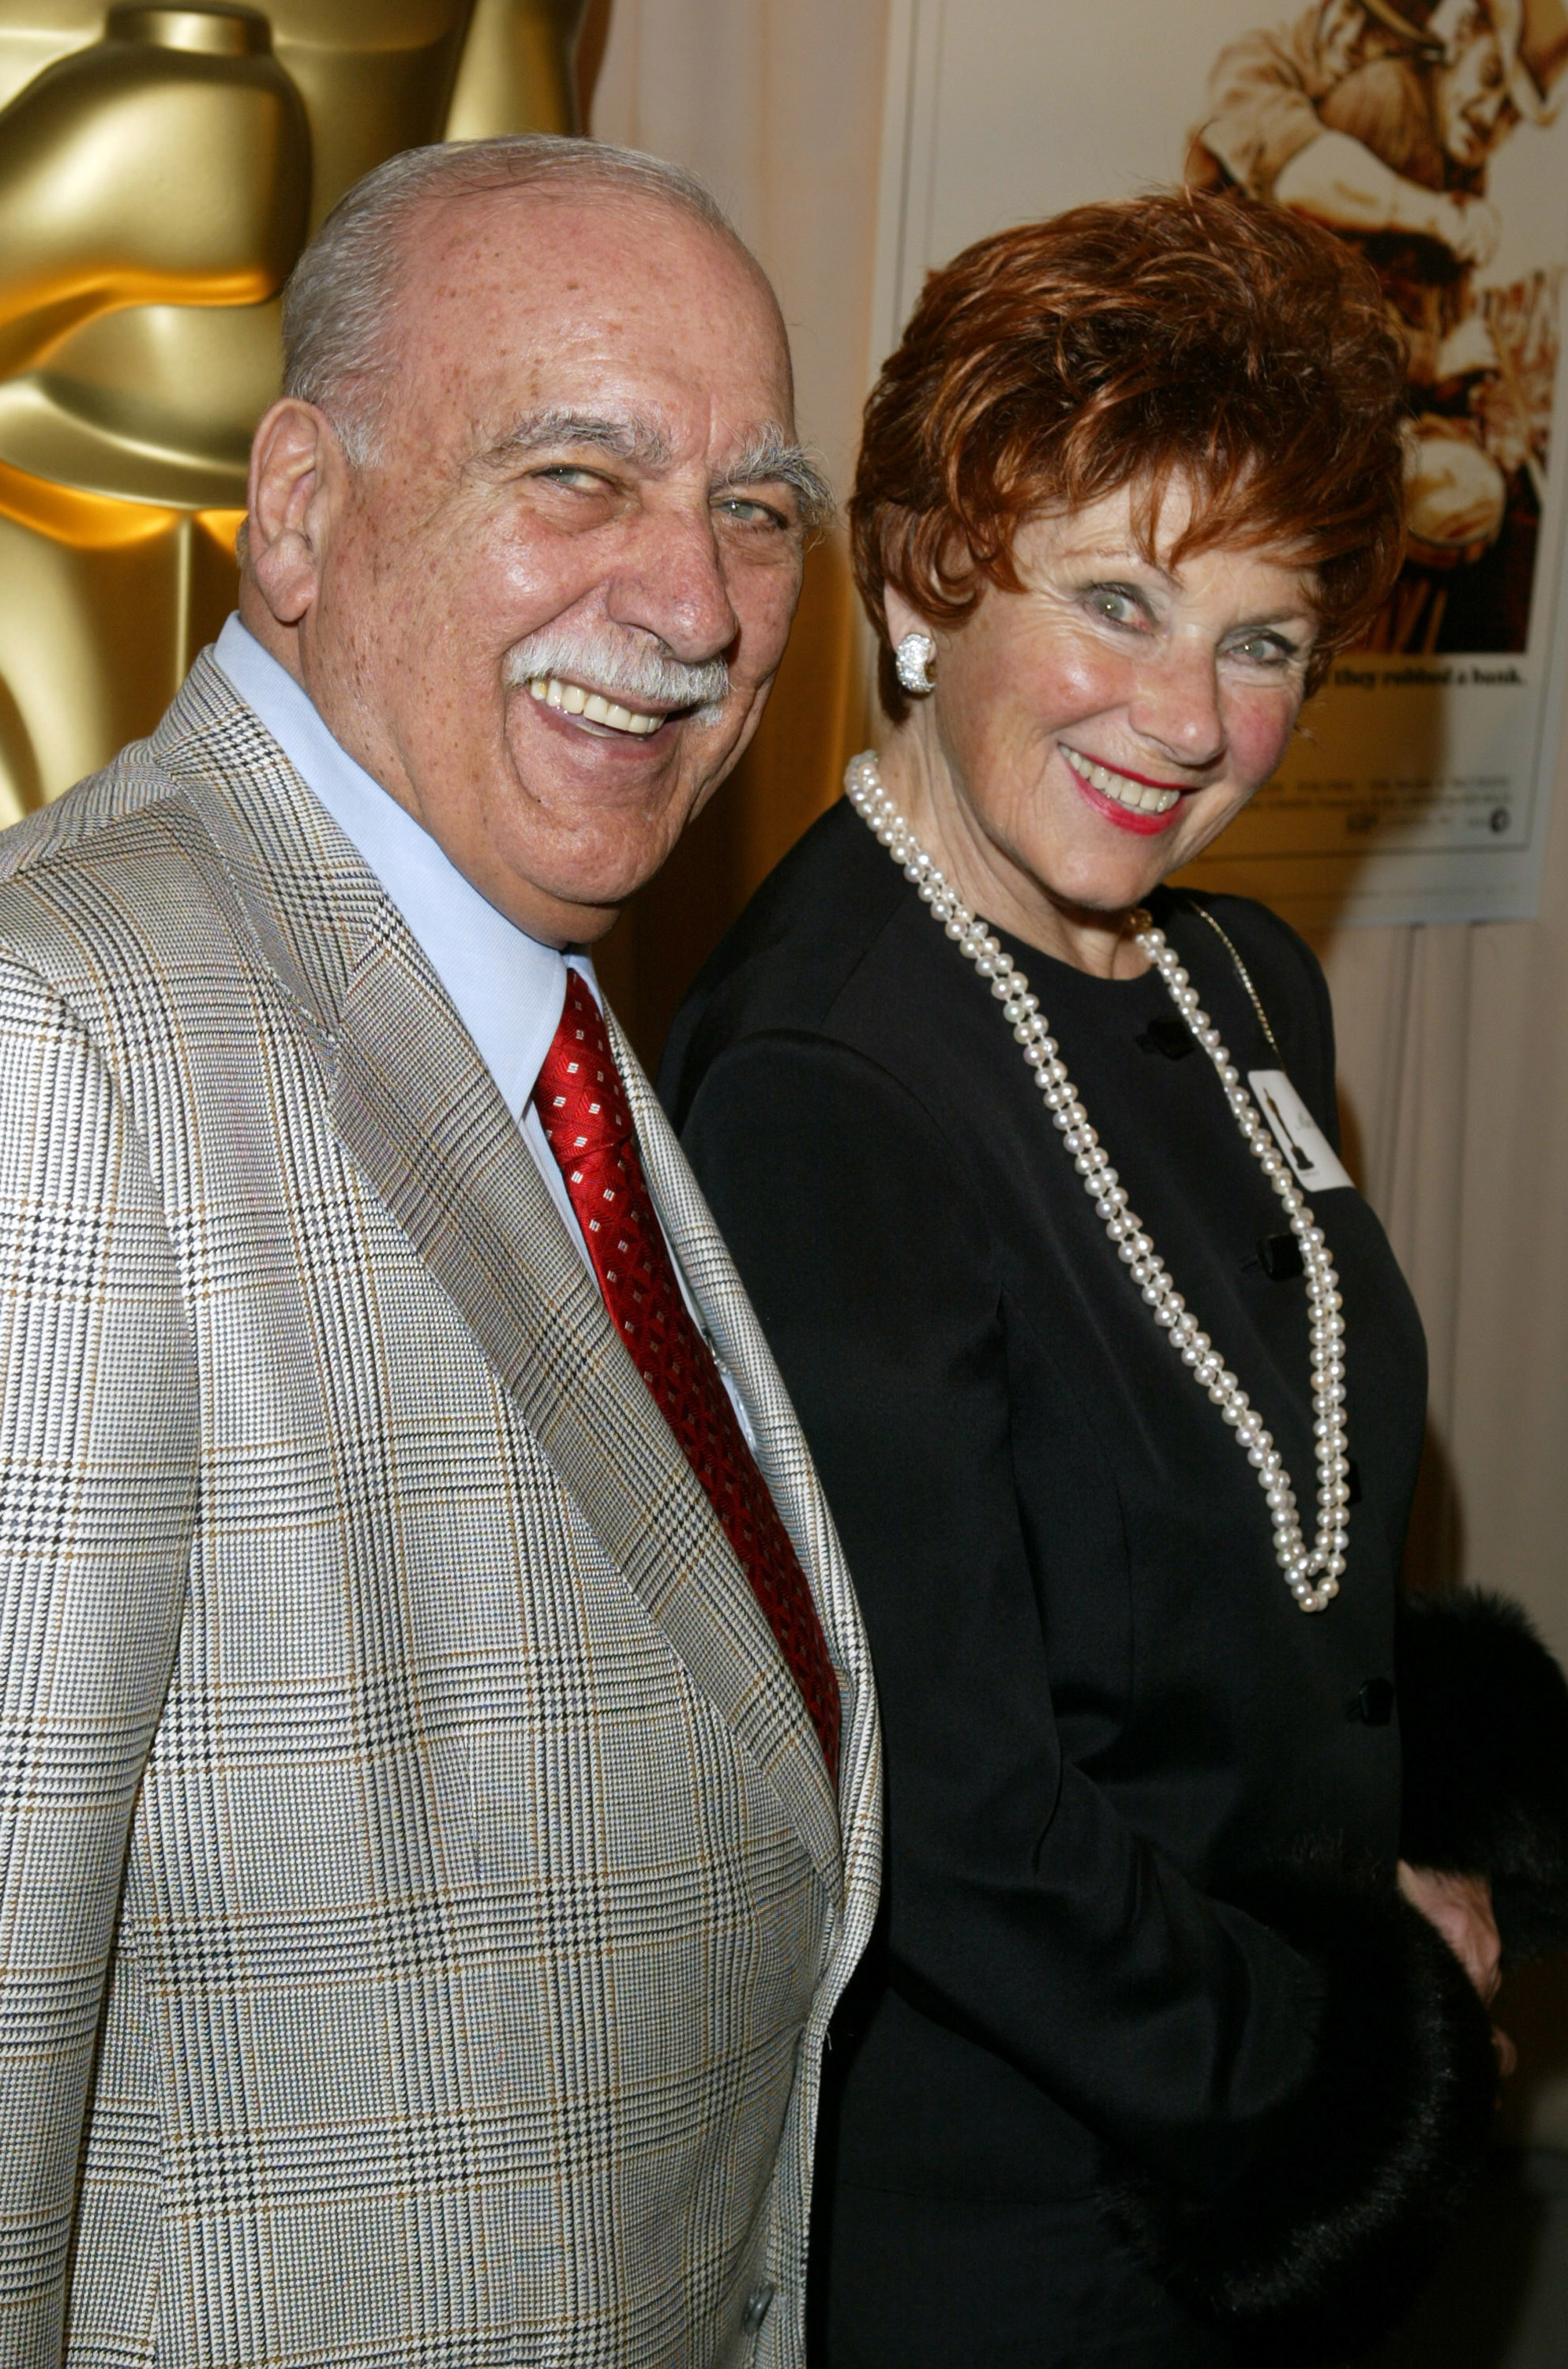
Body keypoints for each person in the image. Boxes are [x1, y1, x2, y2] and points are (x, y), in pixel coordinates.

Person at [661, 192, 1568, 2367]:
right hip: (1039, 2200)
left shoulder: (1244, 978)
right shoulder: (824, 1082)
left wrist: (1414, 1846)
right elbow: (951, 1815)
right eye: (1115, 602)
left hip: (1259, 2109)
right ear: (928, 584)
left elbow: (1283, 1515)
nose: (1183, 719)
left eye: (1263, 642)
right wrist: (1354, 2053)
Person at [0, 137, 880, 2368]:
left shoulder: (520, 981)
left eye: (755, 509)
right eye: (577, 474)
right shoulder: (61, 1051)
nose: (696, 604)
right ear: (297, 510)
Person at [1187, 0, 1568, 651]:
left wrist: (1451, 360)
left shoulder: (1454, 146)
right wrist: (1433, 354)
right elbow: (1296, 298)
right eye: (1489, 80)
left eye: (1510, 111)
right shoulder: (1371, 98)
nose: (1490, 116)